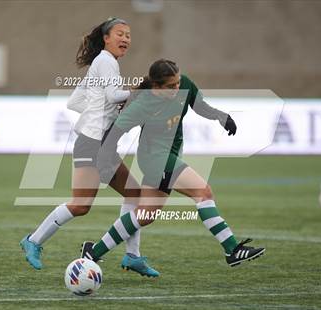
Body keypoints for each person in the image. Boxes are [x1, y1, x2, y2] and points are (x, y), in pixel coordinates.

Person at [80, 59, 265, 270]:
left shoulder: (184, 84)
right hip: (154, 158)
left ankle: (93, 252)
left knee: (145, 215)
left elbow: (199, 106)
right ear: (156, 88)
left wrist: (220, 116)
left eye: (177, 82)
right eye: (171, 86)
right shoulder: (143, 104)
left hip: (169, 156)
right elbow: (112, 136)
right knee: (203, 192)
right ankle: (232, 249)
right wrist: (104, 164)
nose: (177, 88)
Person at [20, 18, 159, 277]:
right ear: (106, 37)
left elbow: (74, 102)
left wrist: (98, 113)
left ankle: (133, 256)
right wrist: (139, 89)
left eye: (129, 35)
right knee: (81, 204)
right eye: (120, 33)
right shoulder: (106, 61)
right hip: (92, 143)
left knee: (134, 194)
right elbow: (114, 96)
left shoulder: (104, 63)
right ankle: (33, 241)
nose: (126, 38)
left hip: (101, 143)